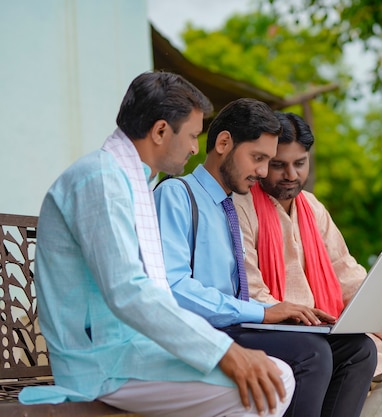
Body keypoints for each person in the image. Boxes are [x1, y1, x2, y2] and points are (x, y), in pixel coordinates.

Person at [20, 72, 295, 417]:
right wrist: (224, 351)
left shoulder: (128, 179)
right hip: (101, 362)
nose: (196, 147)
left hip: (130, 351)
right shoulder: (101, 180)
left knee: (272, 376)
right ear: (161, 131)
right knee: (272, 381)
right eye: (193, 135)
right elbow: (128, 291)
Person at [154, 98, 377, 417]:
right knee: (310, 354)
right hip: (205, 330)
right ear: (223, 143)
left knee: (359, 349)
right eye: (258, 159)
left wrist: (273, 312)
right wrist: (263, 312)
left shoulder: (230, 206)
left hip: (238, 323)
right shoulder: (178, 195)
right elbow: (172, 288)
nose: (262, 172)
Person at [234, 111, 382, 417]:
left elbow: (348, 276)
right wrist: (292, 314)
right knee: (345, 353)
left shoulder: (313, 208)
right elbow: (250, 288)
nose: (290, 174)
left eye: (299, 163)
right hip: (278, 331)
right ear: (262, 162)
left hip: (324, 329)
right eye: (278, 165)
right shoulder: (241, 206)